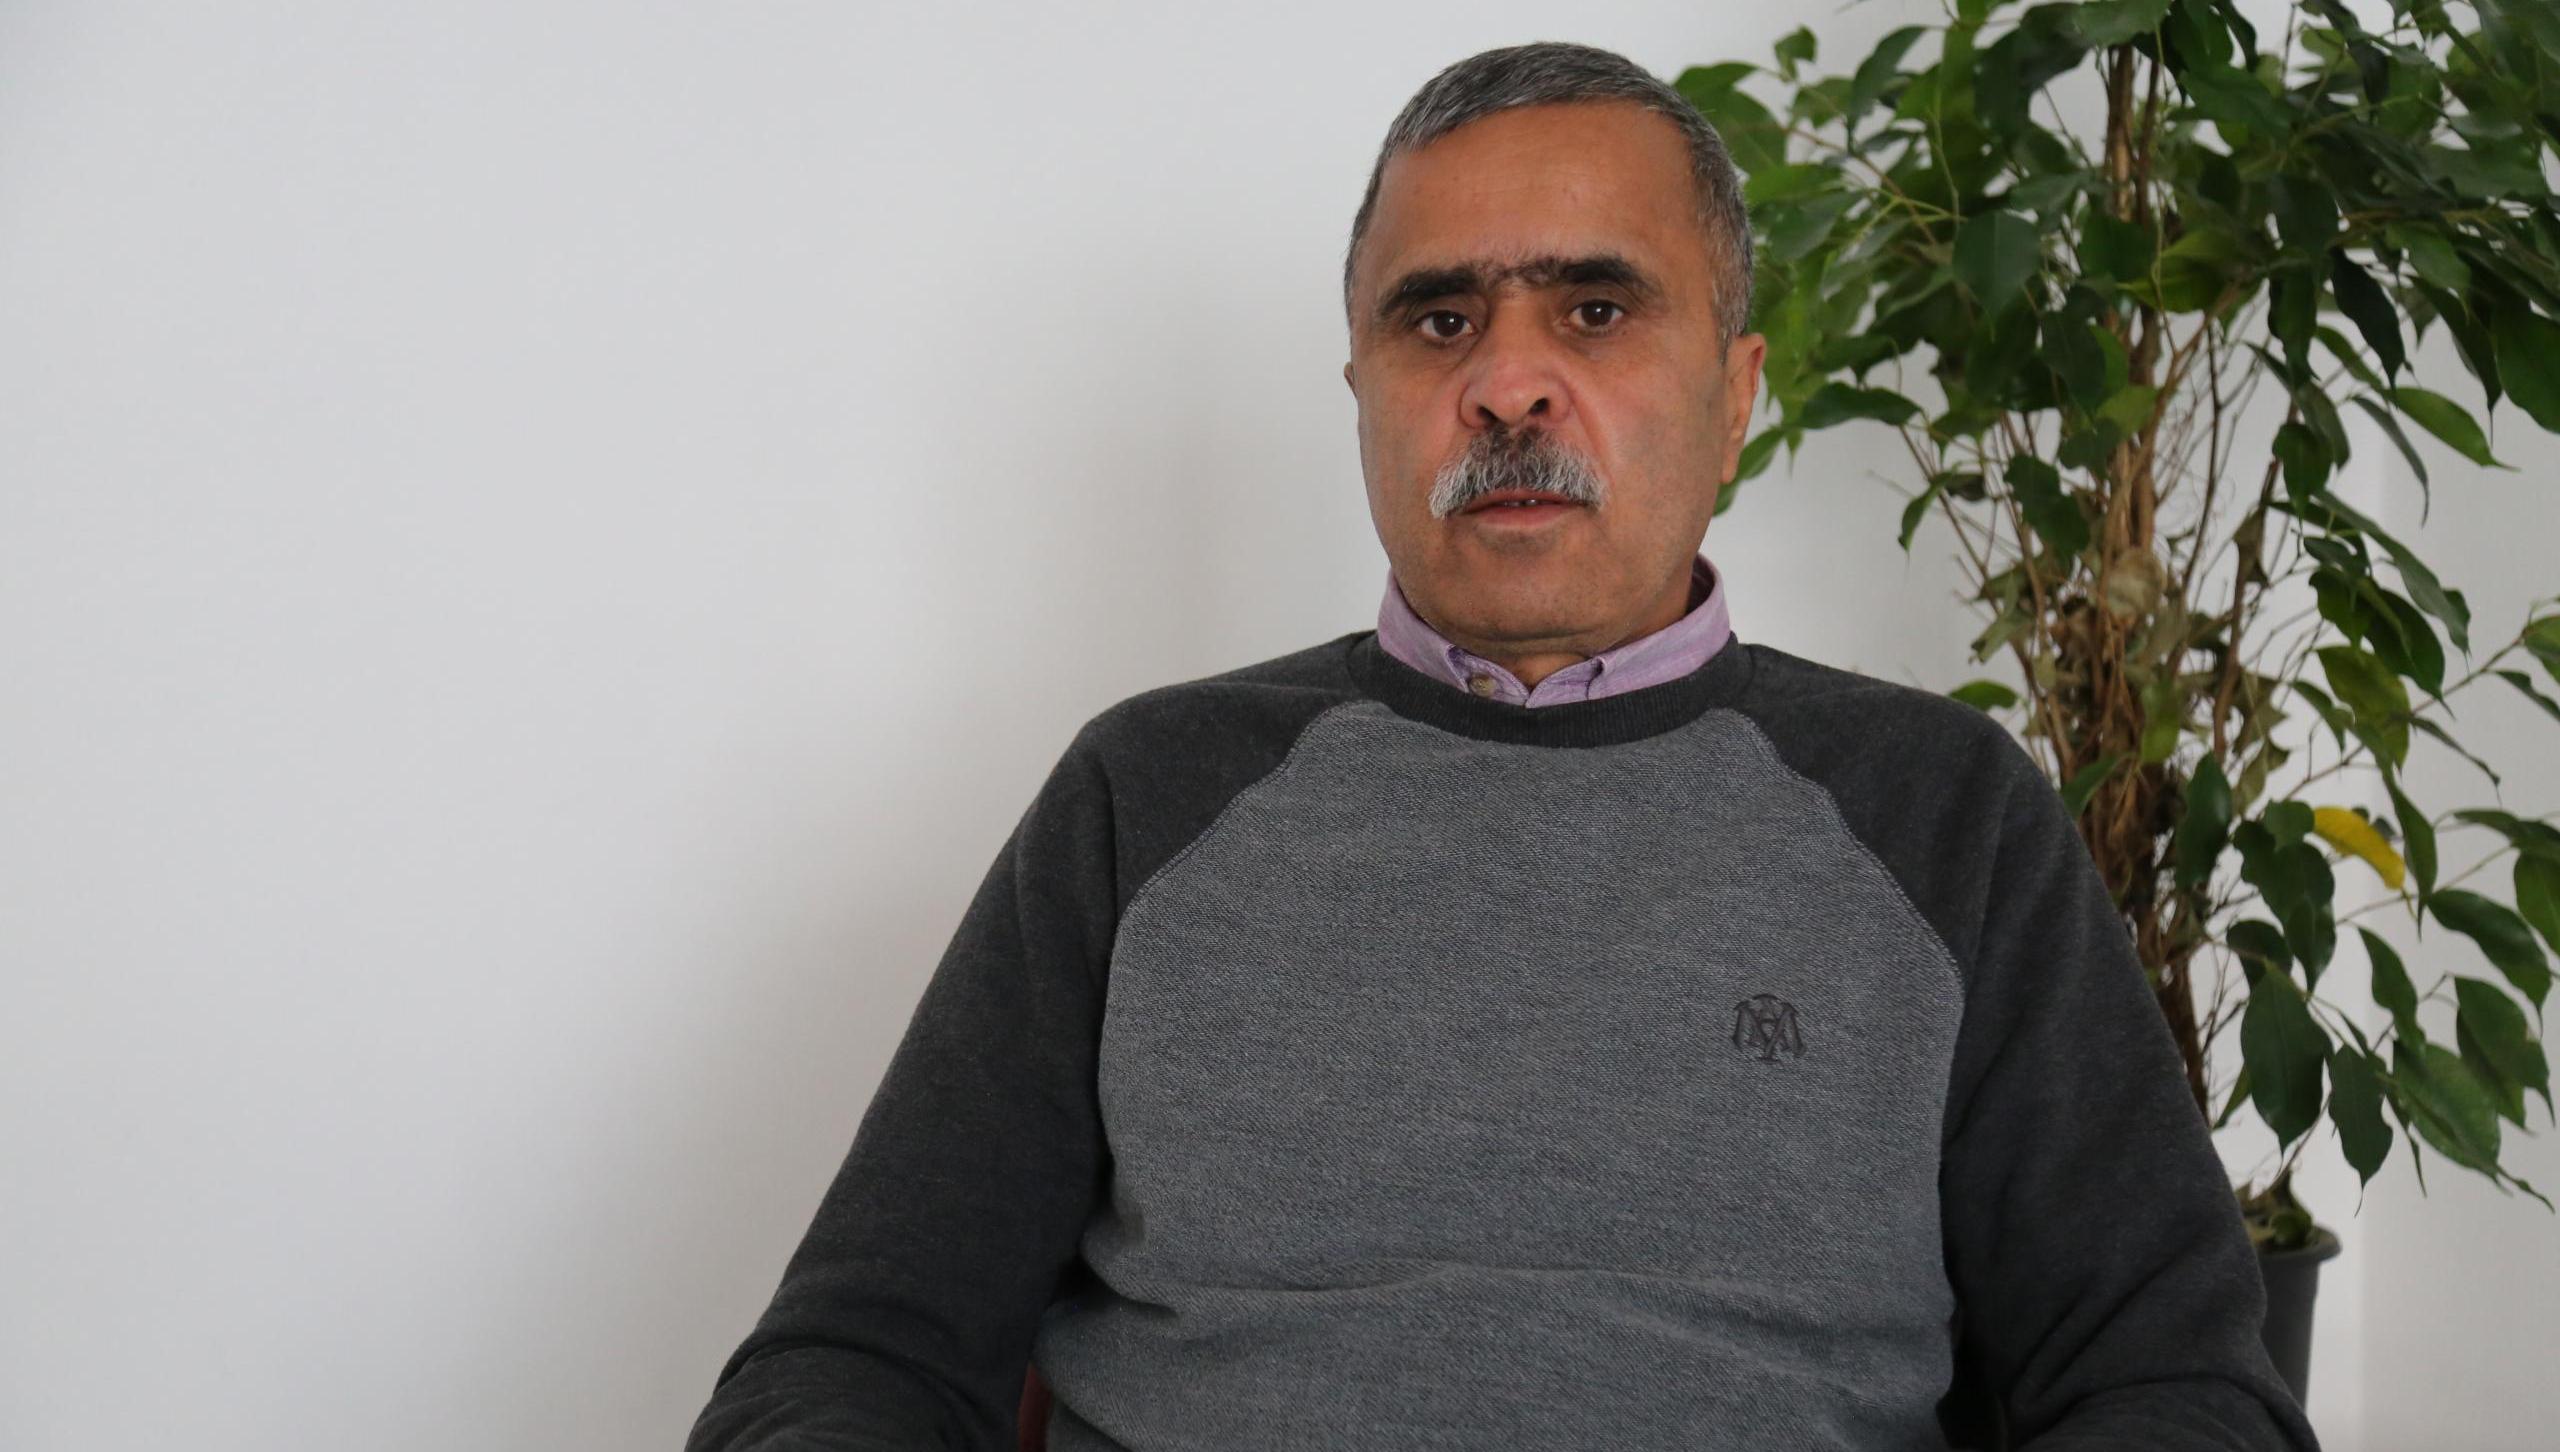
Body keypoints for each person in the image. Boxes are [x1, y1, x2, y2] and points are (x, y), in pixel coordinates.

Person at [684, 40, 2322, 1452]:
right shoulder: (1146, 798)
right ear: (1363, 391)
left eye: (1596, 309)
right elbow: (852, 1364)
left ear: (1737, 393)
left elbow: (2177, 1389)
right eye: (1440, 320)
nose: (1509, 385)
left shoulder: (1945, 818)